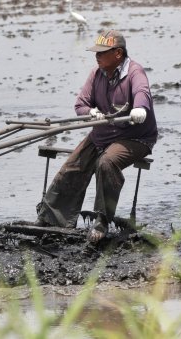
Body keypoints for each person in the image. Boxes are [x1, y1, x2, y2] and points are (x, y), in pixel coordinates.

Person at [36, 29, 158, 243]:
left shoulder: (135, 73)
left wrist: (140, 109)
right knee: (72, 167)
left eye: (102, 52)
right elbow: (80, 104)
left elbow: (142, 93)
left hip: (135, 137)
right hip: (102, 134)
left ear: (118, 54)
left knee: (106, 163)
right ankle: (50, 220)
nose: (97, 56)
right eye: (97, 52)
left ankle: (102, 218)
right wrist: (89, 112)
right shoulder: (96, 73)